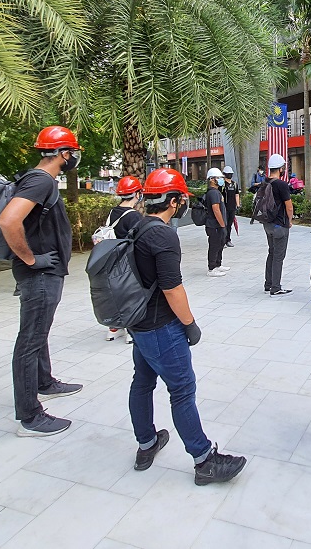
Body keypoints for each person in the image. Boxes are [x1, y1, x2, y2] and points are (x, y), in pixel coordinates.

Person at [127, 168, 248, 483]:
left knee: (142, 383)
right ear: (172, 201)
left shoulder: (138, 226)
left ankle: (146, 442)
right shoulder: (163, 234)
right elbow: (171, 288)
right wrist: (190, 324)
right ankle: (204, 460)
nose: (183, 203)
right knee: (181, 390)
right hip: (161, 327)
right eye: (181, 198)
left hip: (137, 324)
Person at [0, 126, 84, 437]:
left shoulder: (37, 179)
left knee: (39, 331)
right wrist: (31, 259)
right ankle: (29, 417)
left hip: (45, 273)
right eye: (71, 152)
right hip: (40, 275)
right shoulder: (41, 180)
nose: (73, 158)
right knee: (30, 339)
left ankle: (45, 383)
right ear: (62, 154)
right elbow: (8, 220)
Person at [105, 175, 144, 343]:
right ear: (136, 194)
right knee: (131, 294)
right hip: (129, 261)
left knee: (116, 293)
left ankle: (114, 328)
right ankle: (131, 329)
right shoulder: (134, 216)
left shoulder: (113, 212)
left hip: (112, 260)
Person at [263, 154, 294, 296]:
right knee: (278, 256)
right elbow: (289, 207)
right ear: (281, 168)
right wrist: (290, 221)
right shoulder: (281, 185)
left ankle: (268, 283)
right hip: (280, 225)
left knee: (271, 252)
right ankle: (276, 287)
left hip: (267, 224)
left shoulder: (265, 182)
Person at [203, 168, 227, 277]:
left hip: (217, 225)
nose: (221, 180)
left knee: (220, 244)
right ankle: (211, 268)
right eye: (219, 178)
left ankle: (218, 264)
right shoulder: (213, 193)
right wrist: (222, 225)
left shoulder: (216, 192)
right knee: (214, 245)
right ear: (212, 180)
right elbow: (216, 209)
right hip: (214, 225)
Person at [221, 166, 240, 248]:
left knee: (229, 225)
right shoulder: (222, 184)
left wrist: (238, 204)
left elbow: (237, 195)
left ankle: (228, 240)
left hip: (232, 208)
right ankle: (222, 240)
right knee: (223, 224)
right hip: (224, 207)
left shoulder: (234, 184)